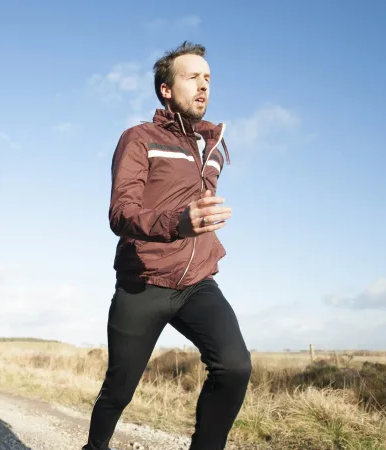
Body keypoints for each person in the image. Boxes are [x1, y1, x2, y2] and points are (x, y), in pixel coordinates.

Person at [82, 41, 252, 450]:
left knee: (234, 366)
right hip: (144, 281)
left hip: (196, 282)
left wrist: (198, 228)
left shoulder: (212, 149)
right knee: (119, 390)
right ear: (166, 89)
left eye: (208, 78)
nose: (203, 86)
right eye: (192, 77)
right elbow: (120, 214)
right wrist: (179, 223)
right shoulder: (140, 139)